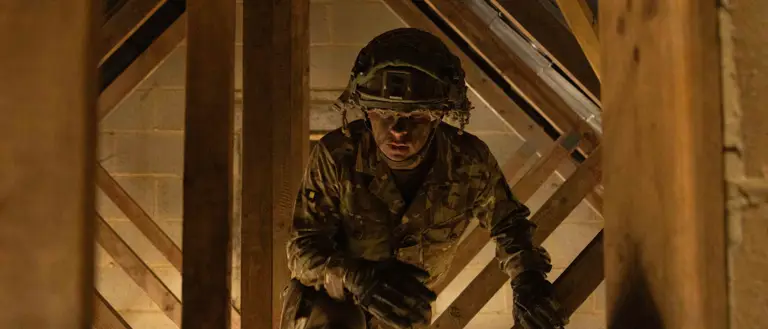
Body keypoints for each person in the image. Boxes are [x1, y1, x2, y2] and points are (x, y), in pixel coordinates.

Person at [281, 28, 567, 329]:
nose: (398, 130)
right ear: (366, 112)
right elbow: (302, 249)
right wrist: (355, 276)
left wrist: (527, 277)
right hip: (330, 303)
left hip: (403, 309)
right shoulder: (337, 155)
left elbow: (508, 222)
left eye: (415, 116)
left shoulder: (467, 161)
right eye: (384, 113)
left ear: (439, 116)